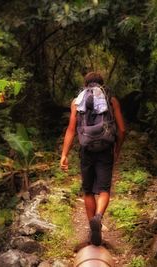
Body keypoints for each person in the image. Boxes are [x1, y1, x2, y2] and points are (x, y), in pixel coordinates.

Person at [60, 72, 126, 246]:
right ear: (102, 84)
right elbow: (122, 130)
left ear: (85, 84)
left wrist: (64, 154)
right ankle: (98, 217)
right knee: (104, 189)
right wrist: (117, 150)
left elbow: (71, 130)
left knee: (88, 190)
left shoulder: (77, 101)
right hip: (106, 148)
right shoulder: (111, 100)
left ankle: (92, 228)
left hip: (86, 149)